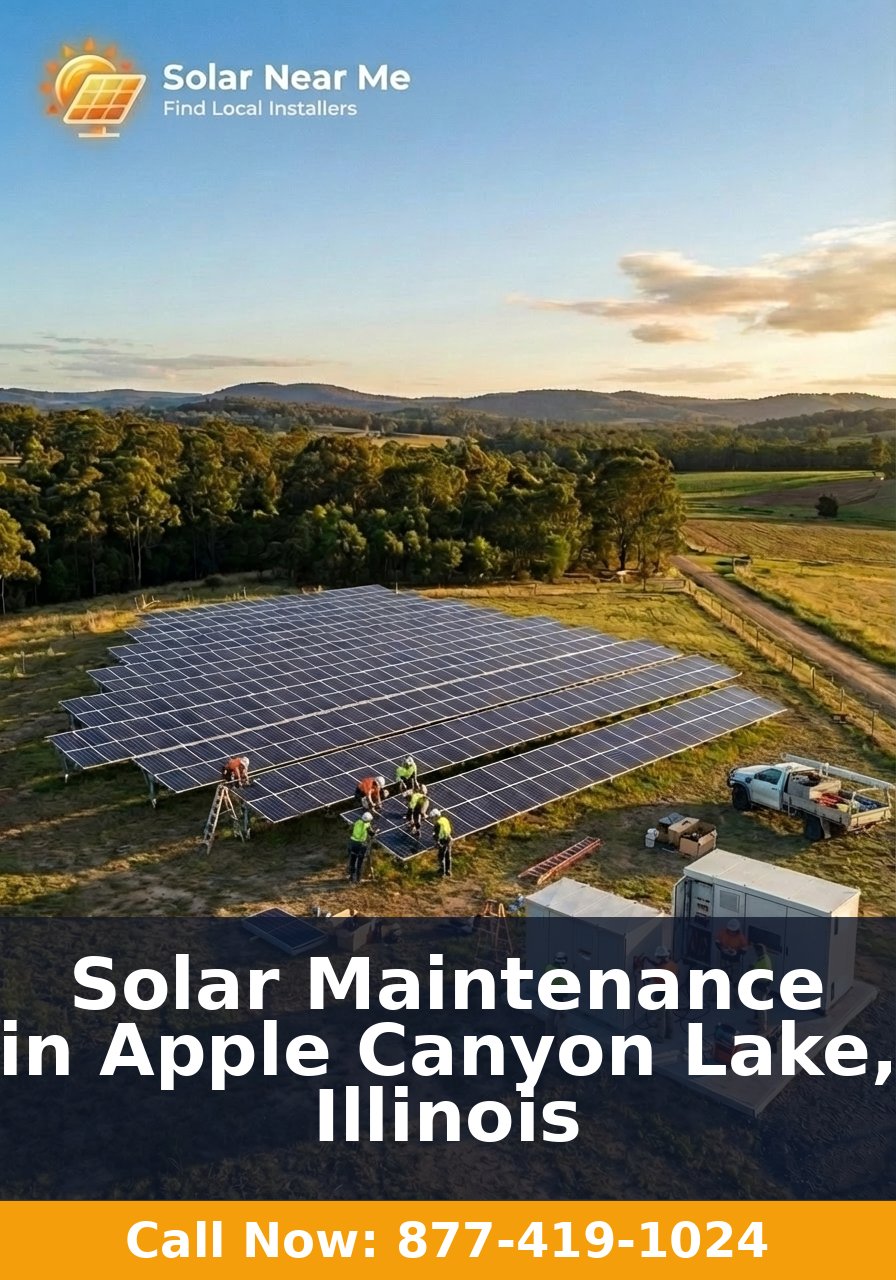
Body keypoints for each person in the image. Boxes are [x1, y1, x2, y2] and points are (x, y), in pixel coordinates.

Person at [648, 945, 679, 1041]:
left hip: (661, 994)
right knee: (669, 1014)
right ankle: (670, 1033)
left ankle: (660, 1037)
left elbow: (650, 978)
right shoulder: (672, 964)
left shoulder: (659, 970)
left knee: (660, 1017)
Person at [347, 812, 374, 884]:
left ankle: (351, 877)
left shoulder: (357, 822)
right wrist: (375, 832)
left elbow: (351, 830)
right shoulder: (367, 825)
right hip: (361, 844)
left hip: (352, 843)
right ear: (368, 820)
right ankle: (358, 879)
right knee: (360, 862)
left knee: (352, 860)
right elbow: (371, 833)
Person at [430, 809, 453, 877]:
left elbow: (436, 835)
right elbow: (449, 828)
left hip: (443, 841)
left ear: (436, 816)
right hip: (449, 839)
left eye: (432, 818)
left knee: (441, 856)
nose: (432, 819)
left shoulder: (437, 824)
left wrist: (437, 843)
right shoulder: (444, 819)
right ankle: (448, 871)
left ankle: (442, 872)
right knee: (448, 856)